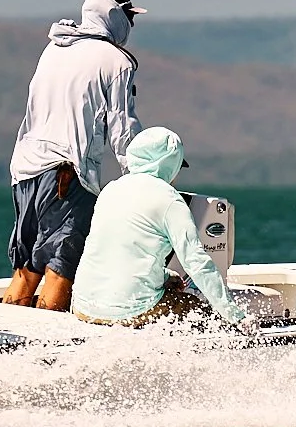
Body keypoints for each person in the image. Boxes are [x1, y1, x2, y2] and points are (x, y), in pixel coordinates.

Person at [3, 0, 145, 310]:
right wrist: (144, 175)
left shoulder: (54, 48)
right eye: (130, 18)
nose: (131, 27)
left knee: (28, 263)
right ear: (115, 15)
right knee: (62, 263)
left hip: (24, 170)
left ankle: (7, 339)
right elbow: (123, 128)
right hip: (67, 176)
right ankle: (48, 351)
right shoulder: (117, 61)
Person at [71, 127, 257, 333]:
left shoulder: (111, 189)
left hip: (83, 306)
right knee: (201, 314)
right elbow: (197, 263)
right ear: (168, 164)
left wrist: (166, 277)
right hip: (131, 311)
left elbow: (121, 252)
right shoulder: (169, 200)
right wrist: (235, 316)